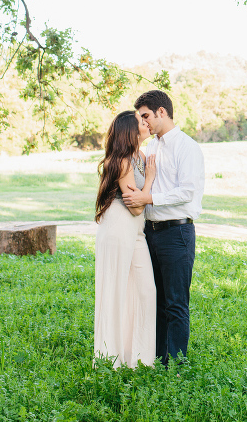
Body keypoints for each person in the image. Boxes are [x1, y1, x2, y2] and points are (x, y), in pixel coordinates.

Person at [122, 89, 204, 365]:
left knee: (176, 303)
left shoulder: (187, 146)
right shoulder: (150, 147)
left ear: (161, 112)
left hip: (177, 232)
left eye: (145, 116)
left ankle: (177, 366)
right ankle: (158, 360)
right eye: (139, 119)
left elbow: (187, 191)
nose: (143, 123)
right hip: (150, 233)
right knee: (154, 300)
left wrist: (150, 198)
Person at [93, 110, 158, 368]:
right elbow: (136, 207)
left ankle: (139, 359)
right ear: (130, 131)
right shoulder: (121, 162)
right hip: (119, 227)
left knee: (145, 291)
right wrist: (150, 180)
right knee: (115, 292)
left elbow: (139, 203)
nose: (146, 123)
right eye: (140, 121)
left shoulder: (140, 156)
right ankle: (110, 359)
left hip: (136, 231)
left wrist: (144, 190)